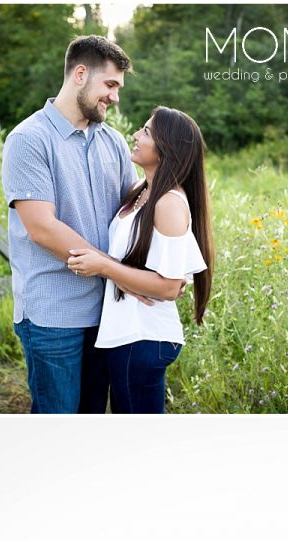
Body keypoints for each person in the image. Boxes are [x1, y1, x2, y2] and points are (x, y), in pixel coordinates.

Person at [2, 35, 135, 414]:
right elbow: (42, 227)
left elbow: (130, 211)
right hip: (52, 314)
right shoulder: (29, 140)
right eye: (110, 85)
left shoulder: (114, 142)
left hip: (106, 311)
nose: (115, 97)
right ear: (80, 74)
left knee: (91, 417)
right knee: (56, 423)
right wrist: (119, 271)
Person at [66, 106, 214, 413]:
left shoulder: (169, 204)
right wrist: (114, 270)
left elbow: (170, 287)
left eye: (146, 131)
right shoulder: (139, 191)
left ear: (166, 147)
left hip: (144, 337)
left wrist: (105, 267)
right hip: (125, 335)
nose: (135, 135)